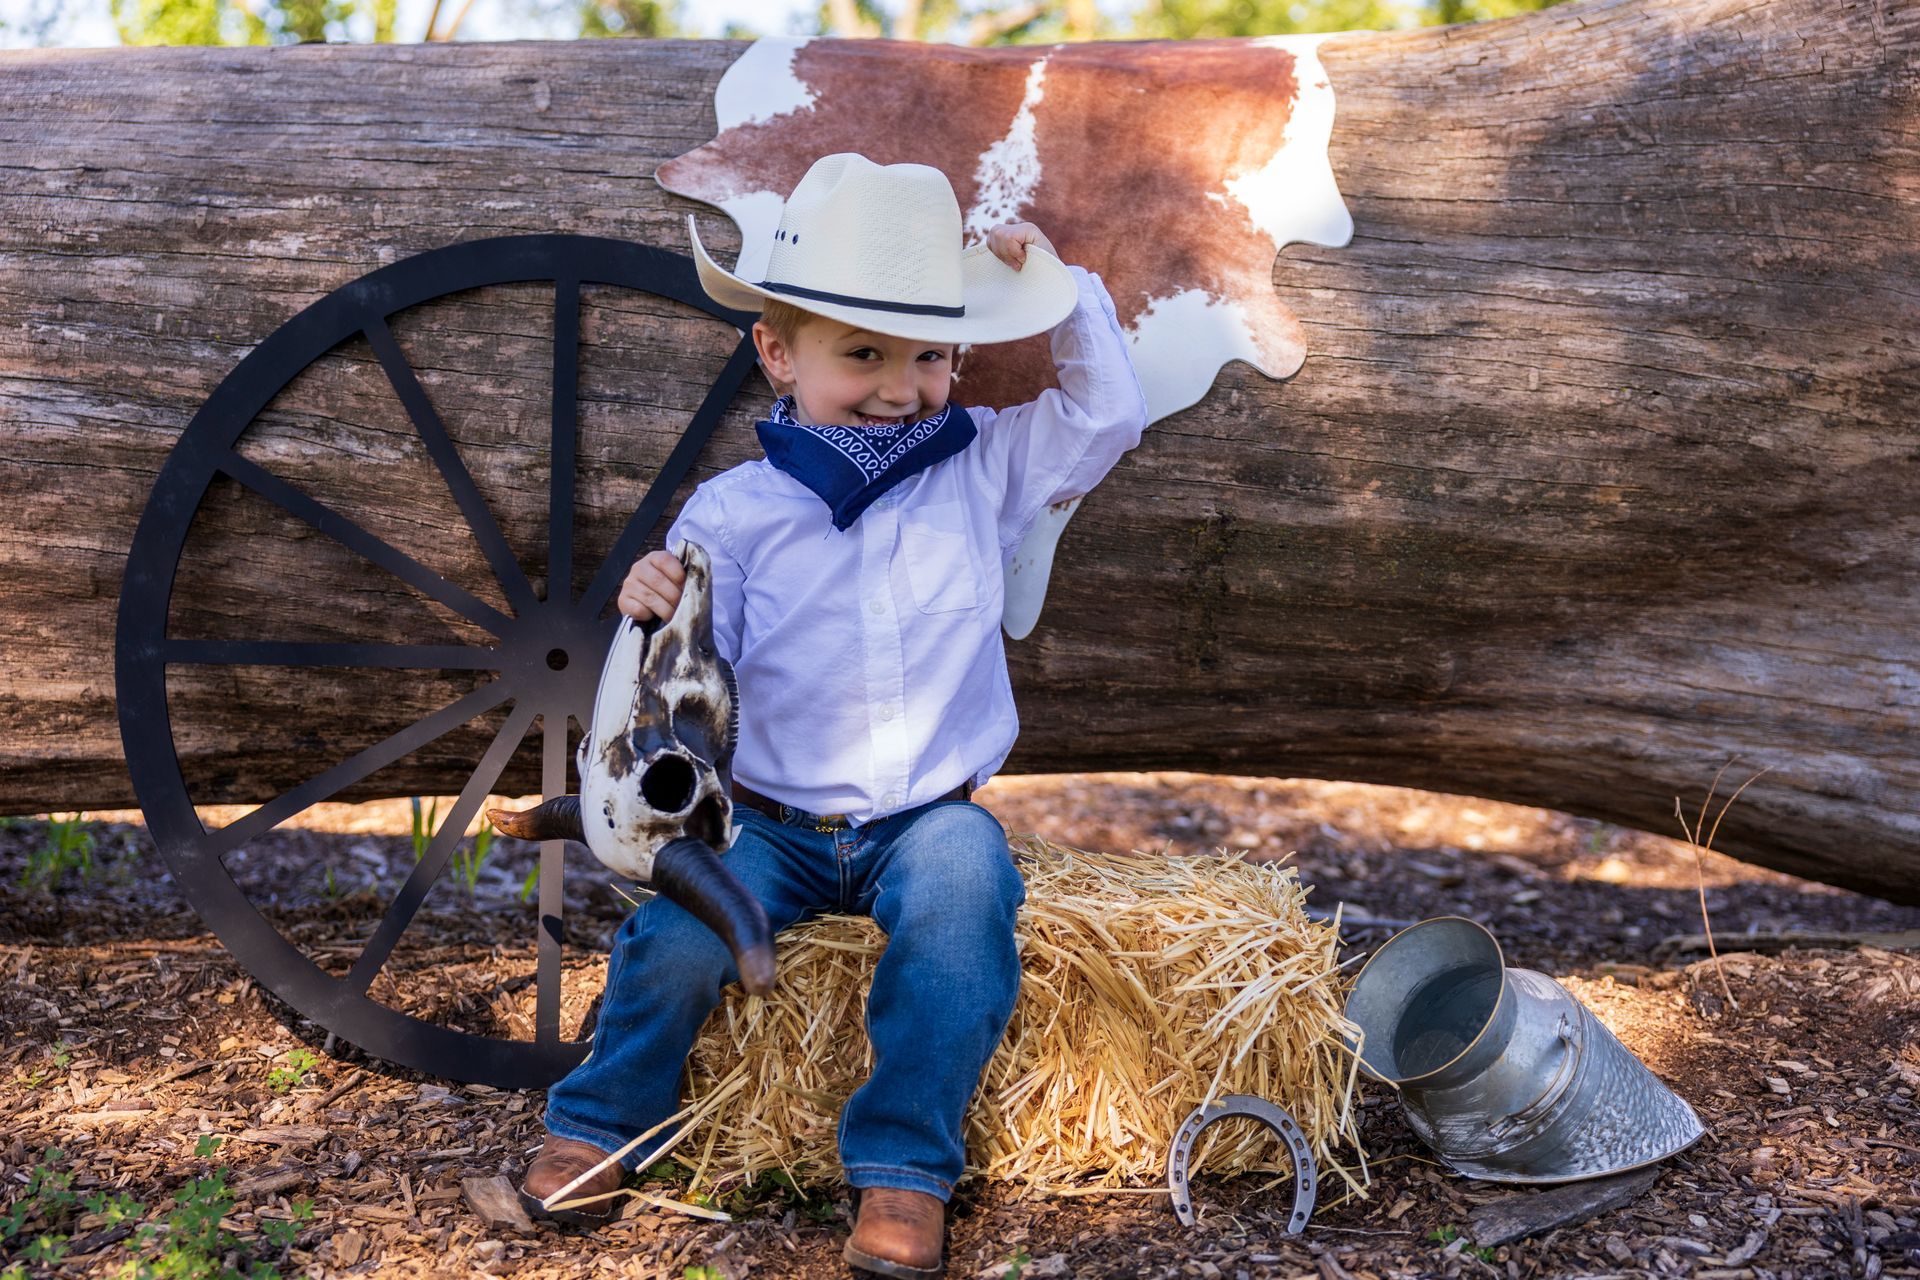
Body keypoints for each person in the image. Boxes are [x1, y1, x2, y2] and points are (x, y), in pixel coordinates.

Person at [520, 152, 1148, 1279]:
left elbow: (1108, 414)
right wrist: (650, 601)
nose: (900, 387)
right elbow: (689, 675)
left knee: (965, 909)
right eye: (862, 353)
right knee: (674, 935)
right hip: (770, 818)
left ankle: (905, 1169)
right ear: (777, 349)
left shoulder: (987, 466)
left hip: (924, 814)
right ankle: (600, 1120)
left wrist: (1064, 289)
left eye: (929, 355)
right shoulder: (737, 510)